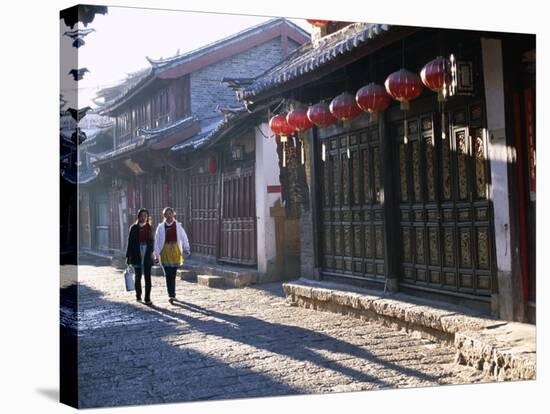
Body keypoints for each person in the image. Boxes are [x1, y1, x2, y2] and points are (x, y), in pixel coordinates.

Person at [154, 207, 190, 303]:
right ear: (164, 215)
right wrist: (156, 255)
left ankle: (173, 294)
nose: (169, 215)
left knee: (173, 274)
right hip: (165, 251)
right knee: (167, 273)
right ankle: (170, 294)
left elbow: (184, 237)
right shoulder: (161, 227)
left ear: (173, 214)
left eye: (170, 213)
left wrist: (186, 248)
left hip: (175, 251)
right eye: (167, 214)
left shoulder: (178, 226)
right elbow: (156, 241)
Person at [125, 208, 155, 305]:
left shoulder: (149, 227)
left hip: (147, 253)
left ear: (147, 217)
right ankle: (138, 296)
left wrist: (152, 253)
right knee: (138, 276)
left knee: (148, 277)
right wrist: (128, 257)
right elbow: (130, 243)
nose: (143, 218)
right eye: (142, 216)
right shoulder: (133, 228)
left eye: (145, 216)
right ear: (138, 217)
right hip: (136, 253)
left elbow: (152, 241)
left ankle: (147, 298)